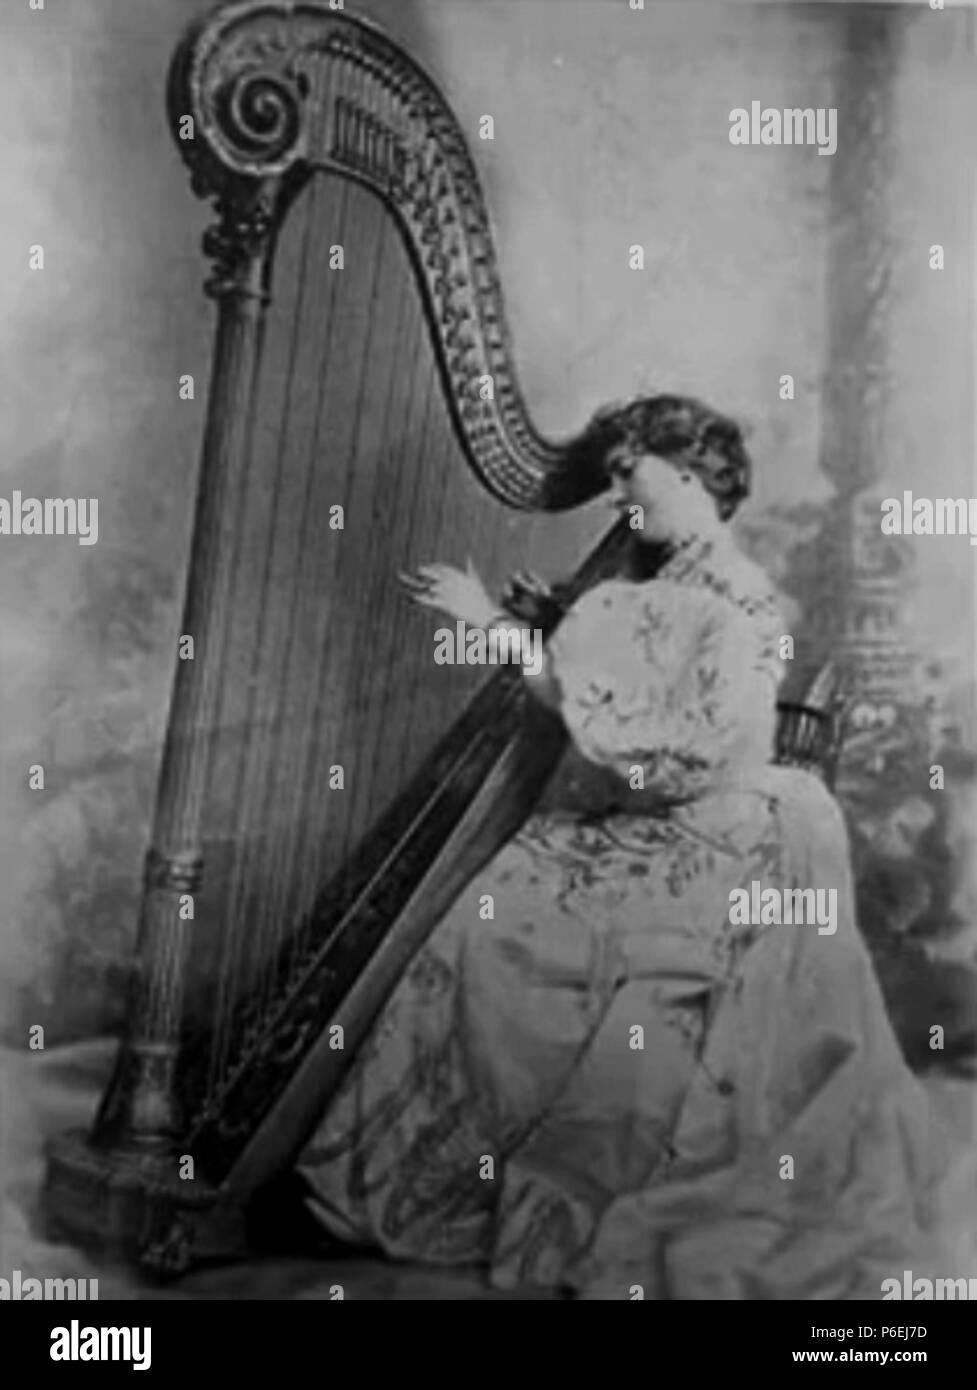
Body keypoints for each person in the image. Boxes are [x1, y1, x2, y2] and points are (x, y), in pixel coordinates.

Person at [295, 394, 975, 1298]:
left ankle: (507, 1178)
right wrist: (557, 627)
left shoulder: (731, 597)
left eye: (628, 470)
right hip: (657, 817)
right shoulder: (661, 582)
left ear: (685, 473)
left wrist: (497, 632)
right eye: (610, 471)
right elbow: (621, 687)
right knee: (487, 909)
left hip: (712, 832)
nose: (614, 490)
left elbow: (671, 755)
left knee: (497, 927)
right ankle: (450, 1162)